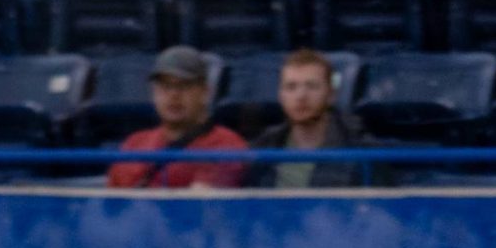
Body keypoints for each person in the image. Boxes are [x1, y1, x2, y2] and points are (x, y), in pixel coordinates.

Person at [107, 46, 248, 191]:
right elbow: (108, 207)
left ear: (205, 93)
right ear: (154, 93)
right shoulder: (134, 144)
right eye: (165, 86)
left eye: (184, 85)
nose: (174, 94)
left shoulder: (226, 145)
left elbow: (196, 206)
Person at [244, 49, 372, 190]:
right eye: (291, 87)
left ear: (331, 95)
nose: (301, 96)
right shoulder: (263, 148)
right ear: (281, 96)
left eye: (312, 86)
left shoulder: (362, 151)